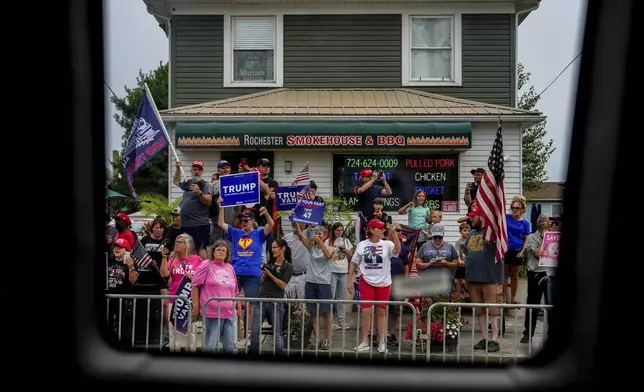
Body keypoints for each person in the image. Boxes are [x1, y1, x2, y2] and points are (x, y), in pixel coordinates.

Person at [217, 200, 274, 344]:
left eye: (246, 220)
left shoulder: (259, 233)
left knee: (251, 305)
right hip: (236, 273)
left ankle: (249, 335)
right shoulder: (236, 233)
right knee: (229, 301)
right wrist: (222, 206)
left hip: (253, 274)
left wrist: (266, 213)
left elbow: (271, 225)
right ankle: (228, 331)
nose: (243, 222)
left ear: (252, 221)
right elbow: (221, 224)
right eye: (241, 220)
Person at [348, 218, 401, 354]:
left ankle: (382, 341)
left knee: (382, 311)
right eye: (379, 228)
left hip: (383, 282)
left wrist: (394, 234)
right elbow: (354, 263)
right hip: (366, 280)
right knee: (366, 312)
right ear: (371, 230)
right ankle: (365, 341)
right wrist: (349, 281)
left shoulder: (387, 244)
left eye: (383, 227)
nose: (382, 229)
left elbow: (397, 250)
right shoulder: (361, 245)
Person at [463, 210, 504, 353]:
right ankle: (485, 338)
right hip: (473, 278)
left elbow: (502, 245)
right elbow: (467, 253)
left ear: (482, 216)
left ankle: (495, 339)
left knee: (493, 311)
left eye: (474, 216)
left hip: (490, 277)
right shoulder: (471, 233)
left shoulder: (492, 232)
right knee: (480, 311)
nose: (472, 219)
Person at [192, 239, 239, 354]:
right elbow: (194, 286)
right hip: (211, 313)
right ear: (213, 252)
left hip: (230, 313)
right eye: (218, 249)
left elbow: (235, 291)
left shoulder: (230, 268)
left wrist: (238, 311)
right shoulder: (206, 265)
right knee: (211, 346)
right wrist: (196, 307)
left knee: (232, 346)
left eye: (224, 250)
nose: (221, 252)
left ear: (227, 254)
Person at [250, 239, 294, 354]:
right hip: (262, 300)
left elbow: (283, 285)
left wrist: (271, 275)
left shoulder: (288, 266)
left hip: (276, 302)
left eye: (275, 247)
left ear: (282, 248)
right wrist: (264, 277)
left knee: (277, 332)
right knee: (254, 331)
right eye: (272, 247)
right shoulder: (269, 264)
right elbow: (262, 282)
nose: (273, 250)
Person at [173, 160, 213, 259]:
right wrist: (178, 169)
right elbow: (176, 181)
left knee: (200, 249)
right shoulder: (188, 183)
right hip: (186, 224)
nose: (197, 172)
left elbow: (208, 201)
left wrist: (199, 193)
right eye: (194, 169)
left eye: (199, 170)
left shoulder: (205, 185)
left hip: (199, 224)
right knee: (187, 249)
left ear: (202, 172)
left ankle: (205, 270)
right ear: (191, 171)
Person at [520, 214, 550, 343]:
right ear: (542, 224)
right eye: (549, 222)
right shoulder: (532, 237)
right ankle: (528, 333)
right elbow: (538, 253)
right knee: (533, 304)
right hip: (535, 273)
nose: (551, 224)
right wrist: (544, 239)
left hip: (549, 273)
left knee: (551, 304)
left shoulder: (554, 237)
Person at [353, 169, 392, 242]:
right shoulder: (357, 186)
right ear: (362, 178)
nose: (370, 177)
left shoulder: (377, 188)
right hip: (363, 219)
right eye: (368, 176)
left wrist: (384, 181)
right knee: (362, 240)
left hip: (375, 217)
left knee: (377, 239)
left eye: (371, 175)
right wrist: (373, 179)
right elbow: (361, 190)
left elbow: (389, 192)